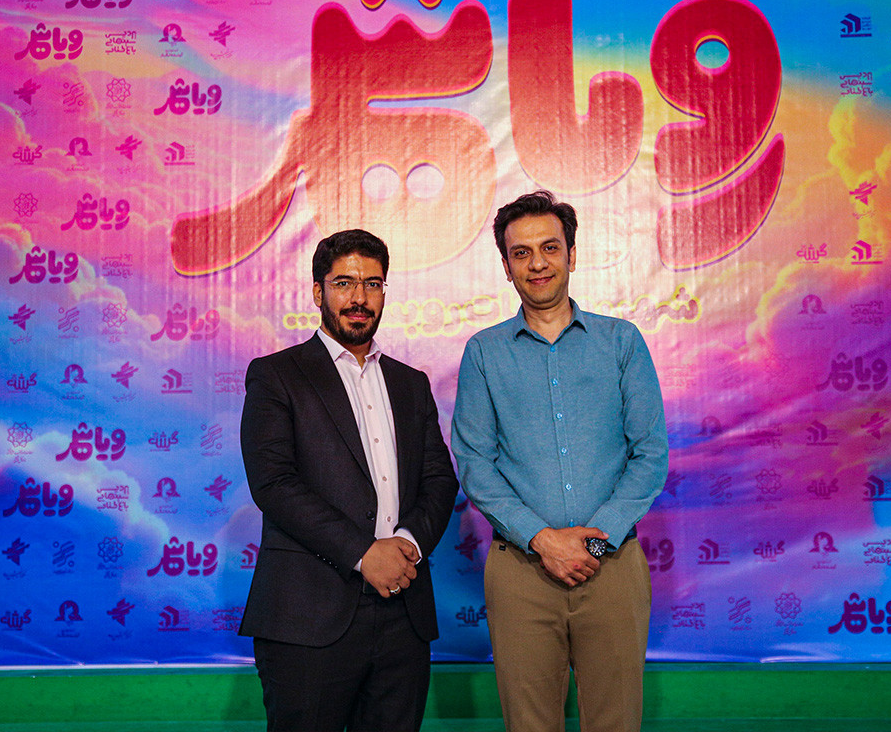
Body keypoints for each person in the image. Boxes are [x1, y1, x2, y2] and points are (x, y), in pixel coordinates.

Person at [452, 190, 668, 732]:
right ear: (506, 267)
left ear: (572, 254)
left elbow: (649, 455)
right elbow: (475, 462)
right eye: (521, 253)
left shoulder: (621, 342)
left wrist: (591, 544)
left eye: (550, 248)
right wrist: (545, 541)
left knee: (616, 722)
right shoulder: (483, 352)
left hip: (611, 566)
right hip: (521, 571)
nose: (537, 263)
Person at [239, 229, 459, 732]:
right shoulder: (277, 375)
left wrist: (405, 546)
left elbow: (439, 479)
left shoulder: (410, 383)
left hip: (403, 611)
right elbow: (273, 482)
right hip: (308, 615)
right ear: (318, 292)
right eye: (344, 283)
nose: (359, 298)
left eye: (372, 284)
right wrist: (365, 553)